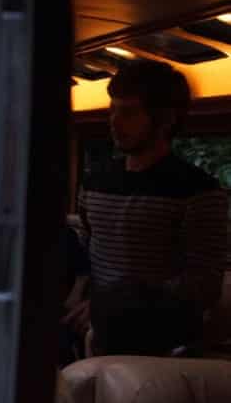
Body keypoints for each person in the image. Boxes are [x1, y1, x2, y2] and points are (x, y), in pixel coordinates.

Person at [63, 60, 228, 356]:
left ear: (165, 119)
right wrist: (79, 294)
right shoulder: (95, 182)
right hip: (89, 326)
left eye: (128, 113)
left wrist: (114, 307)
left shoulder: (198, 191)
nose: (114, 121)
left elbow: (204, 285)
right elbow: (89, 252)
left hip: (158, 340)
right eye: (112, 110)